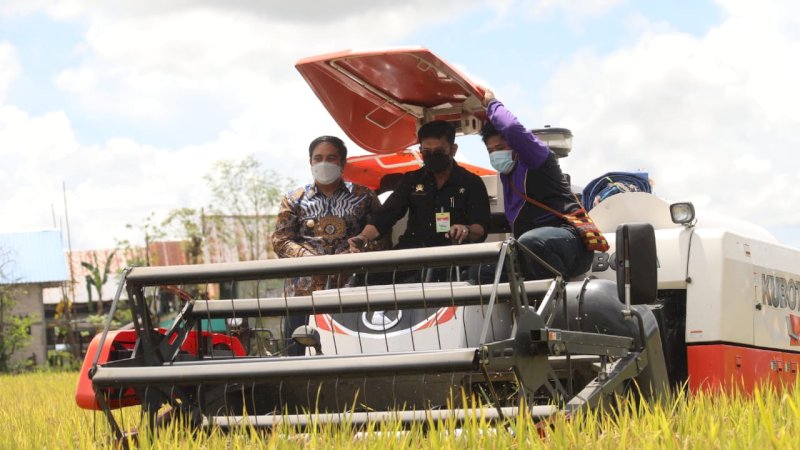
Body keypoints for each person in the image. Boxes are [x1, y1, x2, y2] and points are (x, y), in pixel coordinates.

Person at [272, 135, 382, 353]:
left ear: (343, 163)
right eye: (318, 158)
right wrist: (309, 259)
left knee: (353, 351)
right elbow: (281, 239)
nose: (324, 163)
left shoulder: (364, 196)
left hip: (352, 288)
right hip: (303, 291)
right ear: (310, 162)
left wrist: (359, 250)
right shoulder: (294, 199)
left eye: (331, 158)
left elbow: (382, 235)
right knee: (297, 353)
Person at [348, 121, 490, 281]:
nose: (432, 156)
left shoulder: (471, 182)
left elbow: (481, 227)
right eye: (427, 152)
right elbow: (386, 215)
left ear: (453, 150)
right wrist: (363, 237)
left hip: (453, 258)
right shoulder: (411, 180)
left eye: (439, 151)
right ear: (421, 151)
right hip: (411, 255)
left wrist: (465, 229)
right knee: (362, 278)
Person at [479, 88, 593, 280]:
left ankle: (559, 301)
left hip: (570, 243)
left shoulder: (535, 157)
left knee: (531, 242)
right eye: (490, 150)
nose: (495, 155)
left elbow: (512, 129)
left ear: (515, 146)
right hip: (530, 251)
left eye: (500, 148)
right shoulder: (507, 175)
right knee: (482, 271)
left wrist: (492, 103)